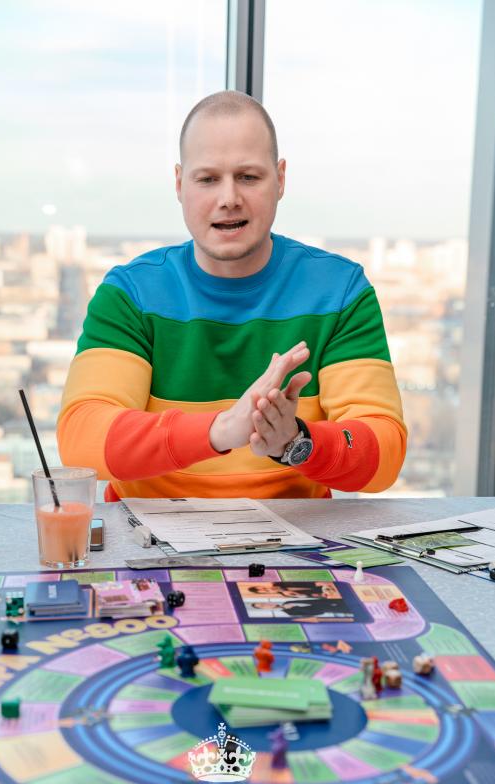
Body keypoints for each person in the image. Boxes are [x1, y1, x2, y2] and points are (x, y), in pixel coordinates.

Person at [57, 91, 406, 501]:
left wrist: (295, 441)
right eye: (207, 179)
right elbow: (81, 439)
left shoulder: (339, 291)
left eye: (248, 177)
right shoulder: (131, 293)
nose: (228, 199)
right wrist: (220, 430)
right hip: (147, 531)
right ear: (179, 184)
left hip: (294, 534)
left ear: (280, 179)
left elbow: (384, 454)